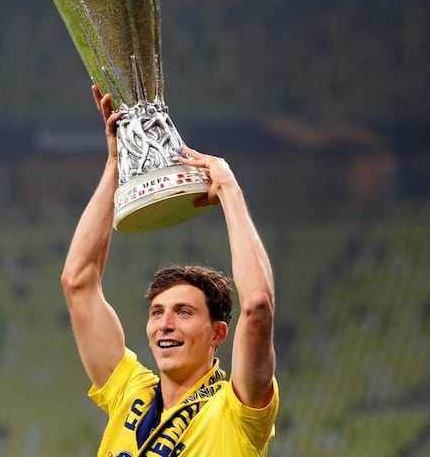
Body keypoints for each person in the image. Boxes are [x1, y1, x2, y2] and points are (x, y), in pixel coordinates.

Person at [61, 85, 279, 456]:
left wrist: (228, 189)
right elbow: (77, 282)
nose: (165, 324)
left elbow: (257, 307)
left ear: (217, 333)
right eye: (157, 313)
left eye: (184, 312)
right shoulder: (130, 392)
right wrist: (116, 164)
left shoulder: (236, 410)